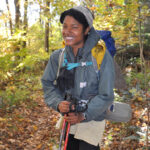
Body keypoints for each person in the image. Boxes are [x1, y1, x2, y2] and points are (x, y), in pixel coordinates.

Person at [41, 6, 115, 150]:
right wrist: (57, 103)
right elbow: (47, 83)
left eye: (74, 27)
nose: (67, 31)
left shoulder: (100, 55)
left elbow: (106, 94)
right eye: (65, 26)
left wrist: (84, 115)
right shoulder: (58, 56)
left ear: (86, 29)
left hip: (92, 120)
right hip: (68, 119)